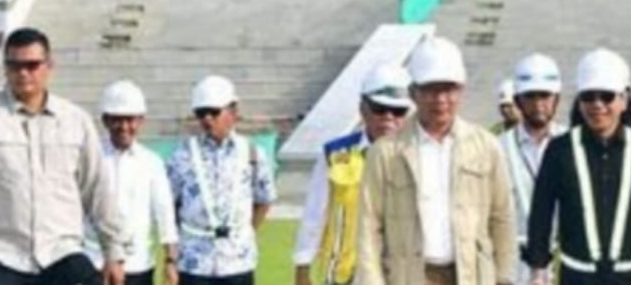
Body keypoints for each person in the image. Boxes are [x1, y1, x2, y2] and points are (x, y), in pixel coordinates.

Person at [0, 27, 129, 285]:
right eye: (14, 66)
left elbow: (98, 190)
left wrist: (114, 251)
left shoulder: (75, 121)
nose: (23, 73)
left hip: (60, 255)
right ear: (5, 68)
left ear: (49, 66)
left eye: (32, 65)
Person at [357, 36, 515, 285]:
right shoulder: (385, 153)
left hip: (471, 275)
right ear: (413, 92)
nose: (440, 99)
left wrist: (505, 277)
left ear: (461, 90)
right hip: (409, 275)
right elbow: (368, 226)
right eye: (430, 89)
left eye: (448, 89)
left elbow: (502, 218)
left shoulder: (486, 147)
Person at [525, 49, 631, 285]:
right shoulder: (560, 150)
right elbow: (541, 213)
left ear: (624, 101)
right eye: (588, 97)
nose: (597, 105)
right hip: (578, 277)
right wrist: (538, 270)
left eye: (606, 96)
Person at [292, 64, 411, 285]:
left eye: (397, 111)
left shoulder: (420, 157)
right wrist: (303, 264)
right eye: (379, 108)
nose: (388, 118)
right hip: (344, 275)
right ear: (362, 108)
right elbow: (315, 214)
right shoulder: (335, 154)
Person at [167, 75, 276, 285]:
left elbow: (264, 200)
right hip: (194, 264)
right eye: (201, 113)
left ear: (233, 111)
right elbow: (169, 205)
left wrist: (243, 232)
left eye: (214, 112)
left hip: (238, 263)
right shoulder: (182, 155)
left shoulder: (252, 154)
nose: (207, 119)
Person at [91, 81, 179, 285]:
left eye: (130, 120)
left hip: (138, 265)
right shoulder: (91, 158)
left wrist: (170, 261)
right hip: (96, 261)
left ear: (141, 121)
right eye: (117, 120)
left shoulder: (152, 162)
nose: (124, 127)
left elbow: (164, 215)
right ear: (105, 120)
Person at [501, 54, 565, 285]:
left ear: (556, 98)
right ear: (518, 100)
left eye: (545, 95)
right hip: (514, 265)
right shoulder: (498, 148)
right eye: (531, 96)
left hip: (563, 262)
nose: (539, 104)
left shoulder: (571, 145)